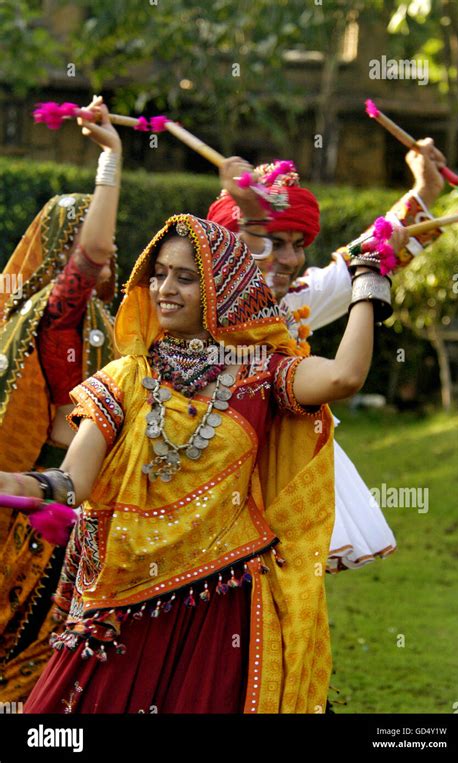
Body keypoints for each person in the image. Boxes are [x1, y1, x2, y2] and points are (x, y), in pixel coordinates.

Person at [0, 213, 407, 713]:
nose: (166, 289)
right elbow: (71, 482)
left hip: (220, 602)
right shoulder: (125, 378)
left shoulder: (259, 373)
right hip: (120, 599)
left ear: (222, 286)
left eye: (185, 278)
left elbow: (344, 378)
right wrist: (13, 483)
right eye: (159, 275)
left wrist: (369, 284)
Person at [207, 140, 446, 570]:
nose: (290, 259)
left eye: (297, 244)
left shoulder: (293, 303)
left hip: (282, 494)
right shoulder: (203, 311)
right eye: (274, 242)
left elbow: (360, 260)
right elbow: (232, 273)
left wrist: (424, 192)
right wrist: (249, 212)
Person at [0, 95, 121, 703]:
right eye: (102, 236)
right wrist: (110, 162)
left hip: (92, 493)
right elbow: (91, 258)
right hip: (46, 494)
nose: (112, 253)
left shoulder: (110, 318)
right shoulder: (57, 315)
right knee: (32, 641)